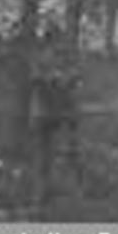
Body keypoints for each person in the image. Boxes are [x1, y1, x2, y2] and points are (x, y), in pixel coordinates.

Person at [30, 20, 83, 205]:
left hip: (63, 111)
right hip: (45, 111)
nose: (56, 42)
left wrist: (67, 79)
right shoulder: (40, 57)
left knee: (68, 151)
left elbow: (76, 76)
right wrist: (52, 79)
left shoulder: (66, 56)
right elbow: (35, 79)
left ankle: (70, 191)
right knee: (43, 154)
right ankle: (41, 193)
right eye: (53, 37)